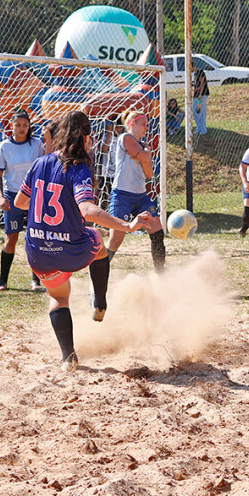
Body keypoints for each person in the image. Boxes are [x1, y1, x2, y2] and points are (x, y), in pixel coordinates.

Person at [13, 111, 150, 365]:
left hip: (38, 249)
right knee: (96, 239)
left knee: (58, 297)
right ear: (87, 138)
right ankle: (99, 300)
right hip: (70, 247)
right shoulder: (80, 169)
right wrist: (127, 226)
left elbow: (20, 202)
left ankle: (68, 358)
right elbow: (88, 210)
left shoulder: (40, 163)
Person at [107, 110, 167, 274]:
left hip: (140, 196)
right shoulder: (125, 138)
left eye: (147, 124)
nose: (146, 127)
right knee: (116, 240)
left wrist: (144, 155)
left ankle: (161, 275)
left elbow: (149, 173)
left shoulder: (143, 144)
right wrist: (145, 154)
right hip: (122, 195)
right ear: (132, 123)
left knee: (157, 232)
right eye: (143, 124)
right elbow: (141, 155)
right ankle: (98, 276)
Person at [0, 108, 46, 291]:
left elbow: (44, 169)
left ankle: (36, 281)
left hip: (33, 196)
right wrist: (1, 196)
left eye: (25, 125)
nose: (22, 128)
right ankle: (2, 280)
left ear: (29, 126)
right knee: (11, 239)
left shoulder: (37, 144)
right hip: (12, 196)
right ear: (11, 126)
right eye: (18, 125)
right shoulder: (4, 146)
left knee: (35, 238)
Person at [192, 65, 209, 135]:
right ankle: (199, 127)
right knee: (196, 112)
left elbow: (202, 83)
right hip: (196, 95)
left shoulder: (200, 72)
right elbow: (197, 84)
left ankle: (203, 129)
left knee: (200, 112)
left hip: (201, 96)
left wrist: (200, 94)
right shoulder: (195, 74)